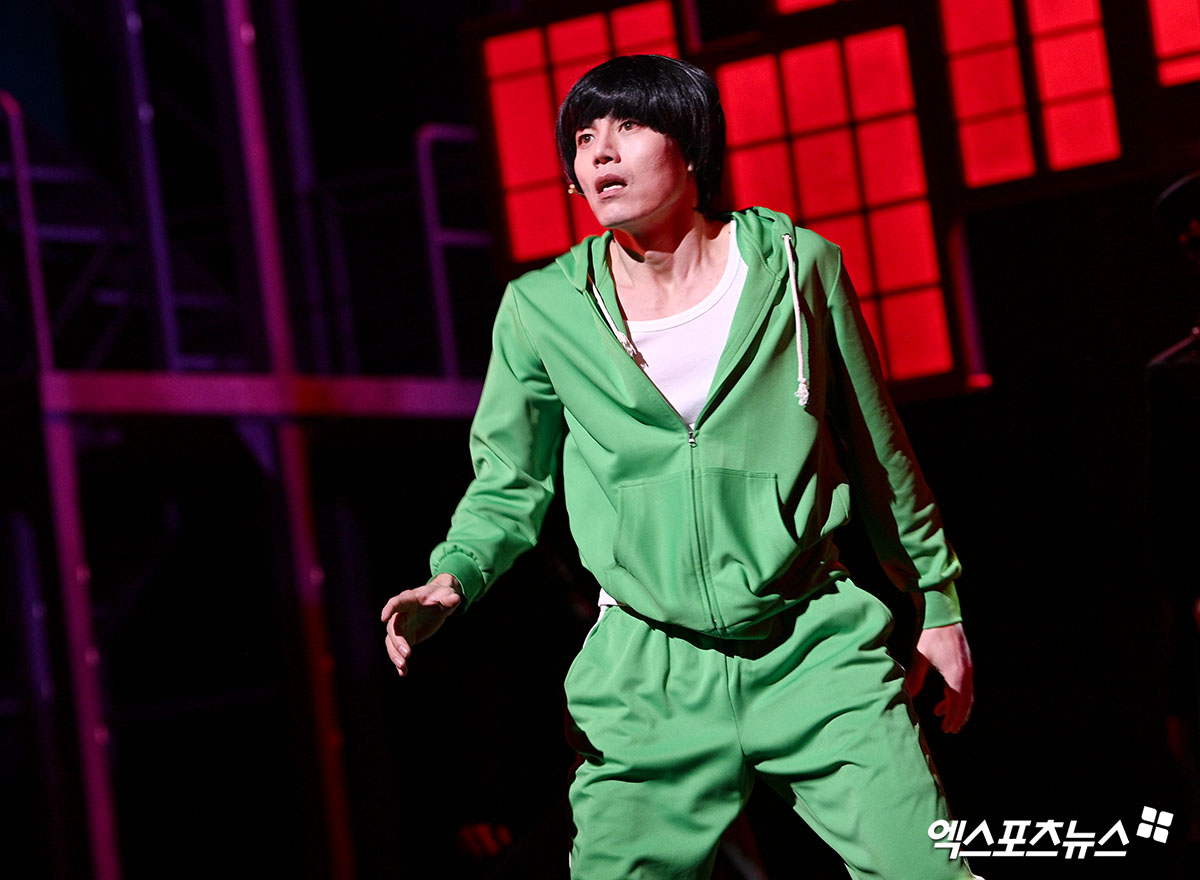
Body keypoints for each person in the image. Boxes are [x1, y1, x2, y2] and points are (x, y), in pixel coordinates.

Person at [382, 54, 978, 879]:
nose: (600, 152)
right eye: (583, 138)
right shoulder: (541, 310)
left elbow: (880, 452)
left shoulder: (799, 267)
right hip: (647, 672)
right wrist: (454, 574)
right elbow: (509, 481)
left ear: (692, 147)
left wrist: (936, 602)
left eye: (628, 126)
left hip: (811, 643)